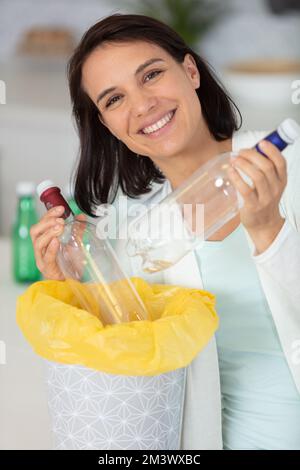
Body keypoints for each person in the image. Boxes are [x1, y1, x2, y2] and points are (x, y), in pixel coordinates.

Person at [30, 14, 300, 450]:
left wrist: (269, 229)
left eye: (151, 74)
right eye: (114, 99)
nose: (143, 105)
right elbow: (122, 380)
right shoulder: (136, 235)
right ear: (106, 124)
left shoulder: (292, 165)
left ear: (190, 71)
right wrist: (69, 288)